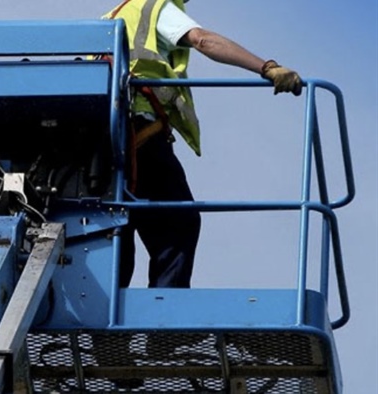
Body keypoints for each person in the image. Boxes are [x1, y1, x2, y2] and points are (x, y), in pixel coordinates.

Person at [103, 0, 302, 289]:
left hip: (96, 144)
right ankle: (164, 322)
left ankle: (108, 325)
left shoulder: (109, 19)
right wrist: (267, 67)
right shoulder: (155, 8)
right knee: (178, 225)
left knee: (116, 228)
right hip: (137, 134)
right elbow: (203, 40)